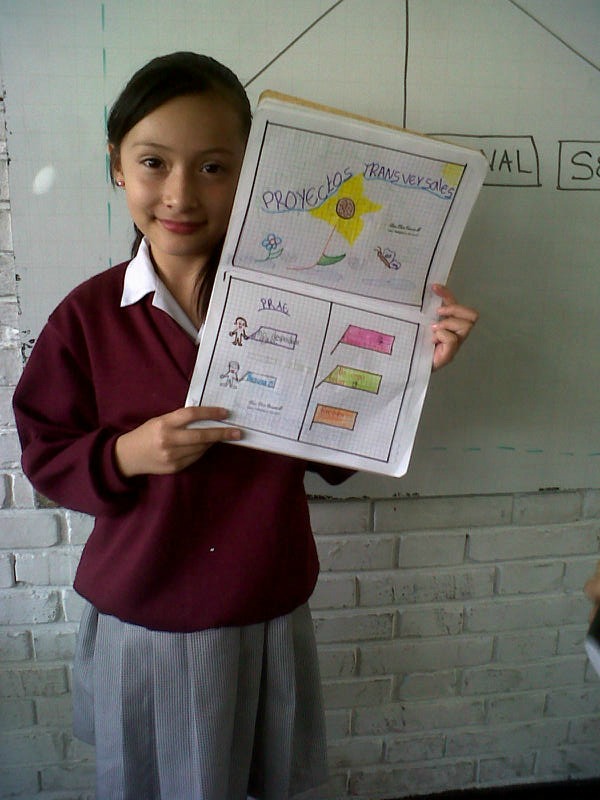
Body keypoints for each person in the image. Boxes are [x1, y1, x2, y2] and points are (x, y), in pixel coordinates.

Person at [12, 52, 479, 800]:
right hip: (144, 611)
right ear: (117, 166)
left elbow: (332, 453)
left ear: (252, 173)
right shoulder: (90, 315)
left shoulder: (303, 303)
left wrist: (407, 369)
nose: (179, 194)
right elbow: (46, 453)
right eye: (153, 162)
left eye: (214, 168)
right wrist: (127, 454)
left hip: (262, 606)